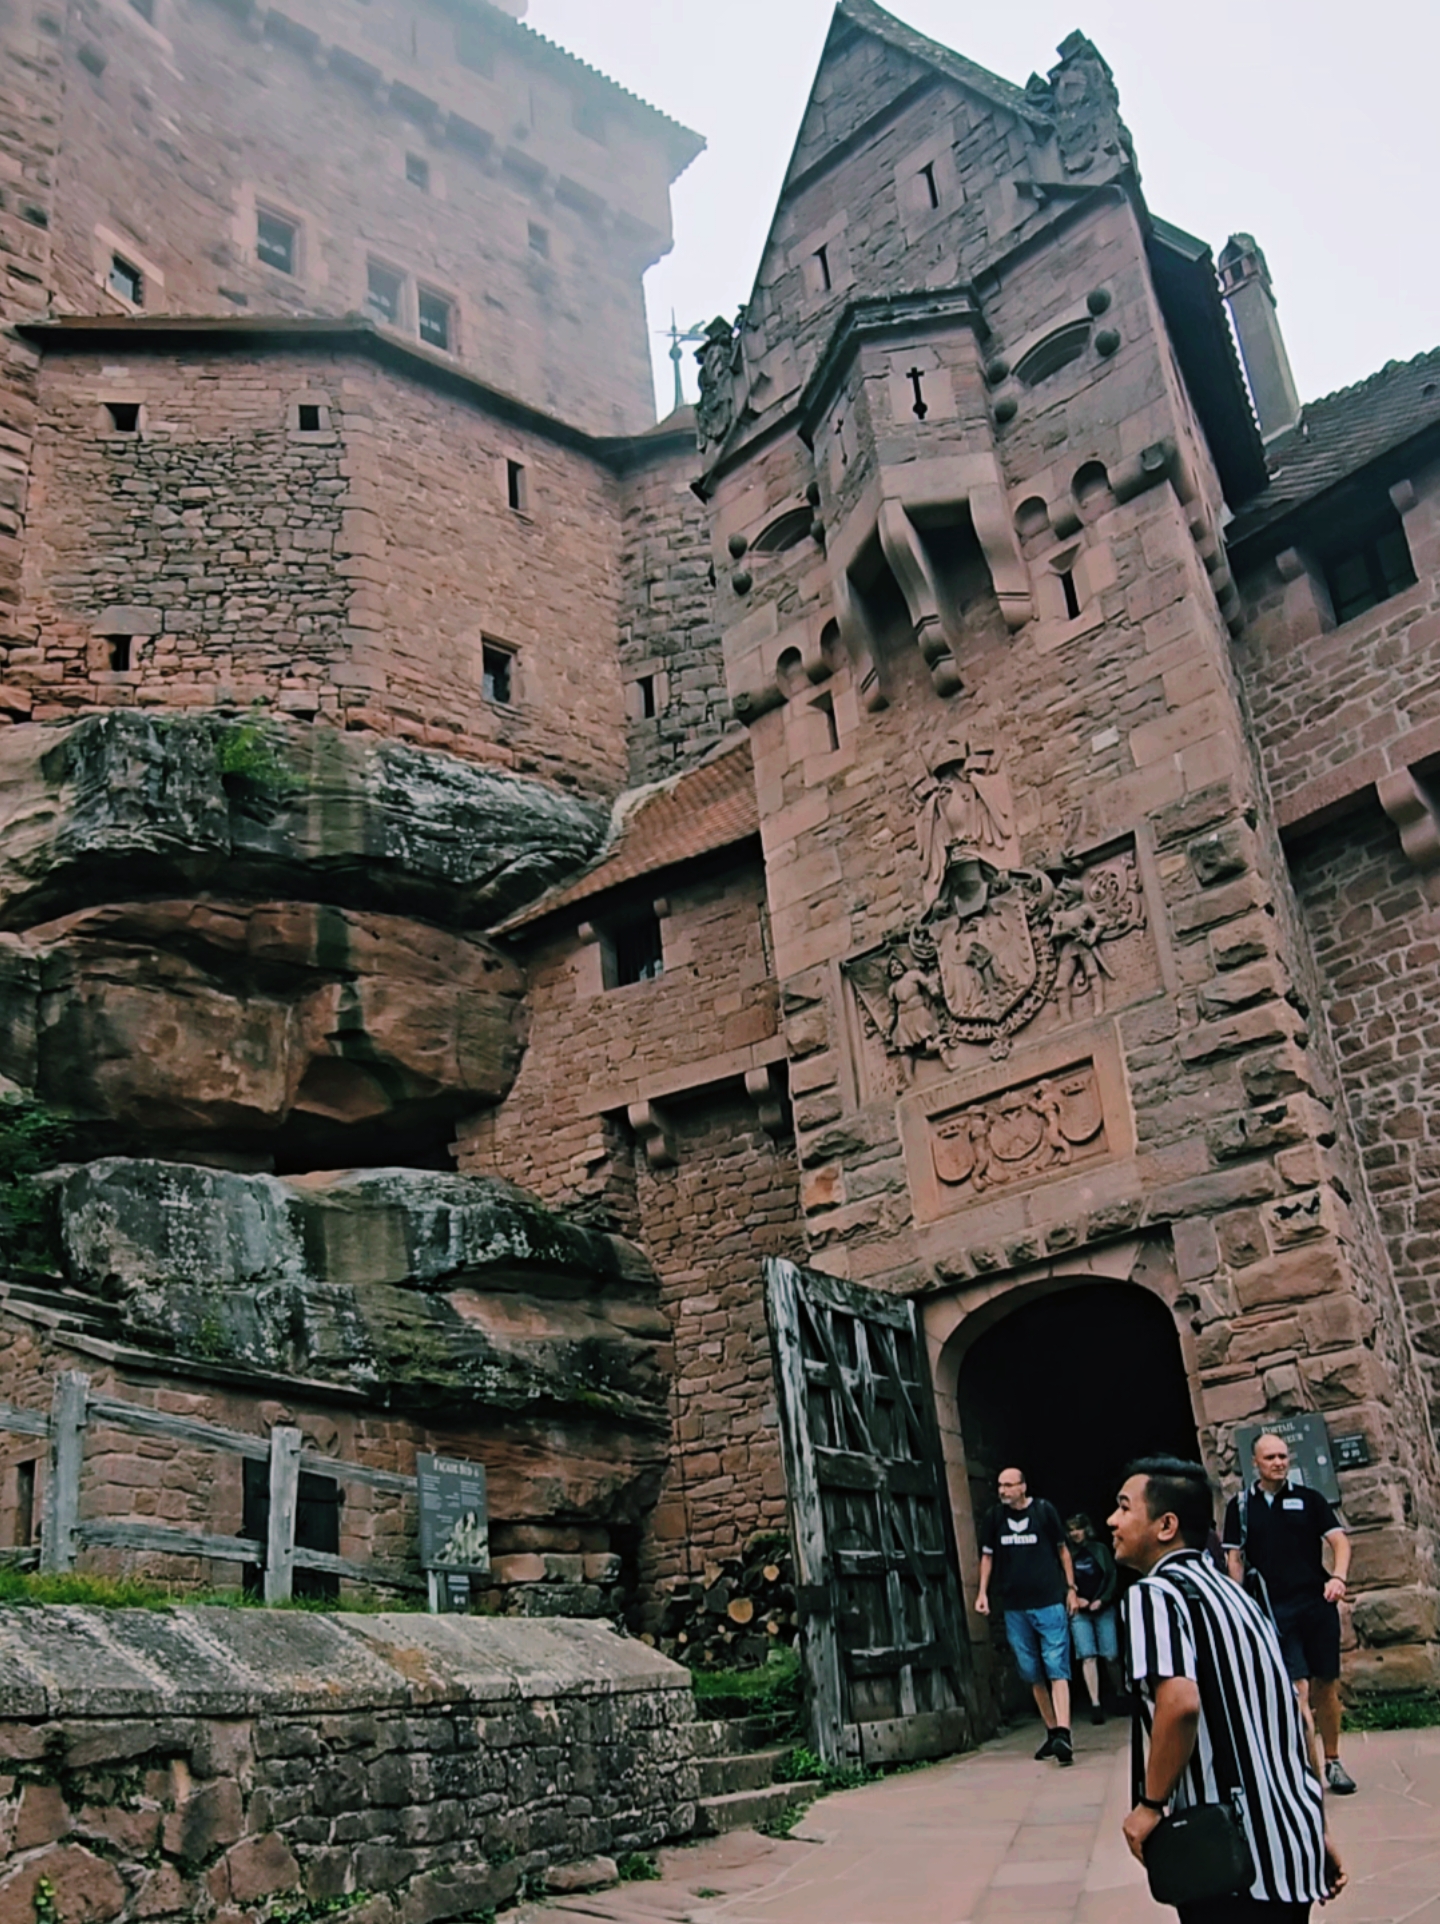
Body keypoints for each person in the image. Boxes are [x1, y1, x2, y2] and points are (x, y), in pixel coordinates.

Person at [1112, 1456, 1345, 1923]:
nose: (1112, 1521)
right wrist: (1313, 1827)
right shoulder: (1239, 1597)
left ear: (1166, 1525)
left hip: (1226, 1857)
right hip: (1287, 1843)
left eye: (1124, 1507)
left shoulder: (1155, 1595)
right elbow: (1294, 1715)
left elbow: (1179, 1703)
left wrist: (1150, 1805)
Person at [1222, 1433, 1356, 1795]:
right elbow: (1234, 1558)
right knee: (1297, 1689)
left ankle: (1333, 1760)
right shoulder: (1241, 1507)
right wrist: (1237, 1601)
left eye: (1283, 1456)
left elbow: (1339, 1540)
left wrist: (1339, 1578)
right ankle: (1308, 1771)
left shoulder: (1309, 1499)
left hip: (1316, 1603)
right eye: (1270, 1458)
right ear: (1255, 1464)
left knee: (1325, 1685)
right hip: (1274, 1609)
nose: (1279, 1462)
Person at [975, 1466, 1078, 1765]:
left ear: (1023, 1487)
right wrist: (982, 1592)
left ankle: (1064, 1733)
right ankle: (1052, 1731)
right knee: (1031, 1670)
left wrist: (1070, 1588)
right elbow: (987, 1556)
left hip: (1048, 1601)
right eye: (999, 1486)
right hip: (1014, 1605)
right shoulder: (995, 1518)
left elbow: (1062, 1550)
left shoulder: (1044, 1512)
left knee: (1056, 1665)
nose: (1003, 1491)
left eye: (1009, 1485)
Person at [1066, 1513, 1121, 1723]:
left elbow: (1112, 1576)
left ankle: (1119, 1693)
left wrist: (1103, 1599)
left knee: (1110, 1656)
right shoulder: (1067, 1553)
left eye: (1078, 1528)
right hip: (1079, 1610)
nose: (1075, 1534)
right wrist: (1074, 1598)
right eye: (1071, 1530)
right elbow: (1061, 1579)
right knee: (1087, 1656)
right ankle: (1095, 1703)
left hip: (1102, 1608)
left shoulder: (1100, 1550)